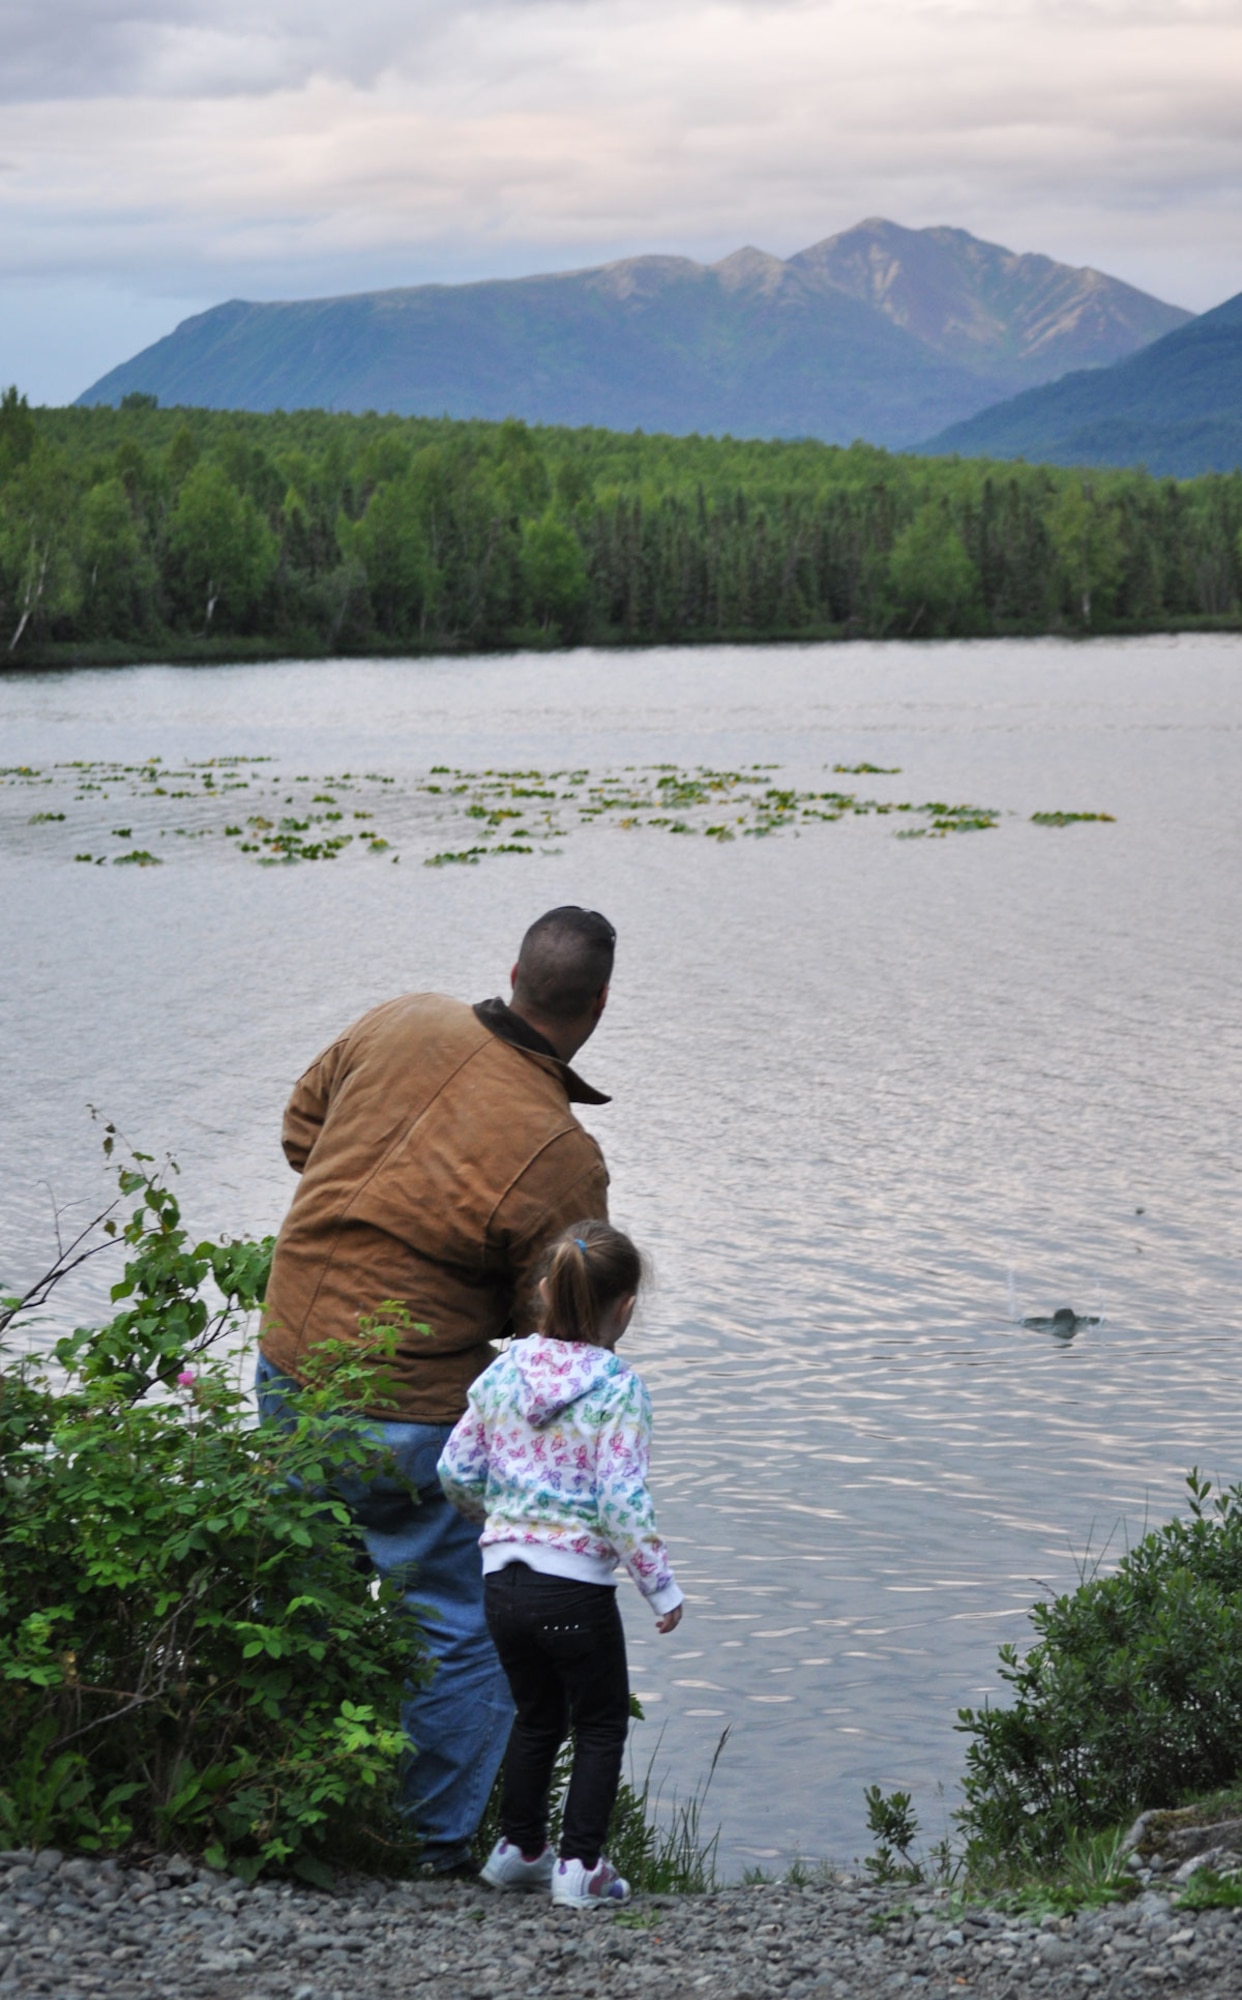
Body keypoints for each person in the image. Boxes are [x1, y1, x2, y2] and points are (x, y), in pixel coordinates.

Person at [254, 906, 617, 1876]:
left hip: (286, 1366)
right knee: (465, 1616)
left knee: (302, 1591)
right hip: (412, 1412)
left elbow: (301, 1133)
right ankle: (425, 1846)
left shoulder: (400, 1018)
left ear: (511, 972)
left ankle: (280, 1805)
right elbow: (560, 1321)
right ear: (598, 1003)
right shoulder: (560, 1153)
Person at [437, 1220, 683, 1909]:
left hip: (502, 1582)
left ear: (545, 1292)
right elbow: (620, 1500)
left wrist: (495, 1521)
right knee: (600, 1721)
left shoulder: (503, 1370)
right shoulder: (618, 1386)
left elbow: (454, 1468)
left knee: (536, 1714)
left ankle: (520, 1850)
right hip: (572, 1591)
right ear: (625, 1306)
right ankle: (580, 1868)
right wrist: (660, 1588)